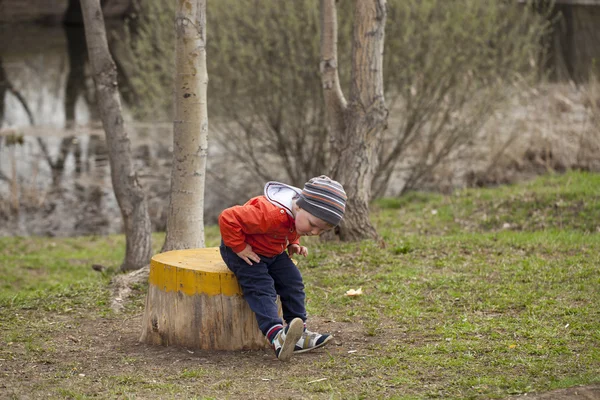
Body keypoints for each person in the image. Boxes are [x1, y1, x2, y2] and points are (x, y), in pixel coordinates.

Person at [218, 175, 347, 361]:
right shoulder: (269, 214)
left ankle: (298, 333)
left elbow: (292, 227)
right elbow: (228, 217)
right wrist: (239, 247)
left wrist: (293, 242)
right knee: (261, 286)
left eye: (321, 230)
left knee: (293, 281)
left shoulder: (299, 213)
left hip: (272, 250)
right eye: (312, 225)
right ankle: (276, 336)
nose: (314, 232)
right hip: (244, 251)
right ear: (300, 206)